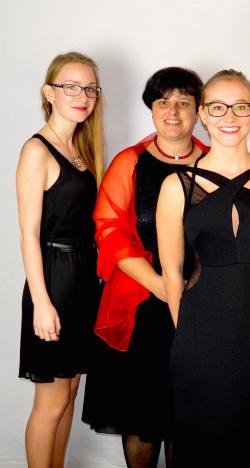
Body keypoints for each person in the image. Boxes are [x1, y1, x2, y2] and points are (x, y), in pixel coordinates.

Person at [157, 69, 250, 466]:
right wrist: (187, 333)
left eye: (240, 107)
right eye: (217, 107)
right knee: (200, 439)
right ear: (202, 113)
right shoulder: (177, 186)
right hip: (198, 332)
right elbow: (171, 272)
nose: (229, 117)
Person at [81, 67, 208, 467]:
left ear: (199, 111)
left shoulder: (214, 161)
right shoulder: (129, 163)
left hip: (201, 302)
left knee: (190, 414)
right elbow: (109, 229)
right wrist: (157, 283)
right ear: (151, 109)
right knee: (142, 415)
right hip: (143, 304)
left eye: (184, 102)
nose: (173, 111)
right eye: (163, 102)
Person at [16, 51, 104, 468]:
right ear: (49, 93)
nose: (82, 96)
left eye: (90, 88)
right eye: (71, 86)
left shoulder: (80, 150)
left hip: (82, 282)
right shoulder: (37, 151)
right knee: (50, 401)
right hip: (54, 282)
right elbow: (28, 234)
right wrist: (42, 302)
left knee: (68, 394)